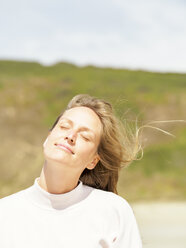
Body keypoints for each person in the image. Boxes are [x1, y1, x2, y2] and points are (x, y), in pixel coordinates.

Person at [0, 94, 143, 247]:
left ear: (93, 161)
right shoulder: (5, 213)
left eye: (85, 136)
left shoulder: (114, 211)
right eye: (64, 126)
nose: (70, 136)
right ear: (47, 138)